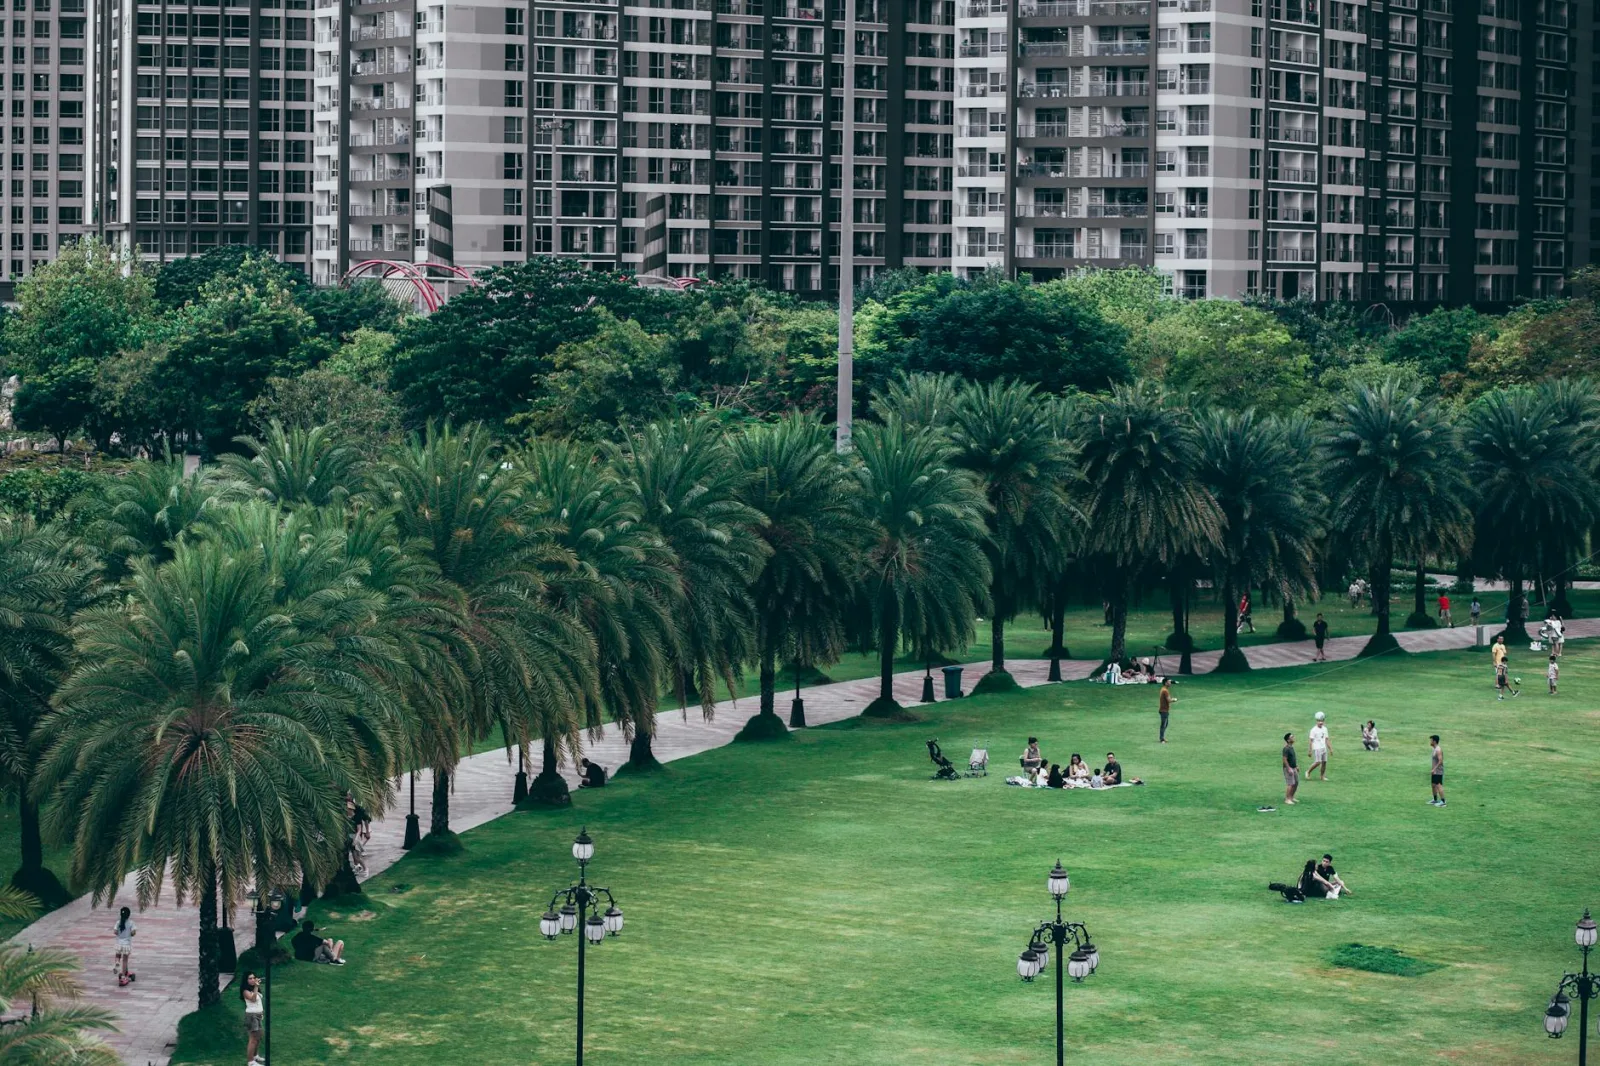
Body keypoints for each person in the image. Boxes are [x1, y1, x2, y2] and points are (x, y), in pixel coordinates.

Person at [242, 971, 265, 1065]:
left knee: (258, 1036)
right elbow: (253, 999)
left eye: (253, 978)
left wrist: (256, 986)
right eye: (250, 978)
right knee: (253, 1039)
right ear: (246, 980)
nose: (252, 980)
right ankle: (250, 1061)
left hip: (258, 1015)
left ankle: (255, 1056)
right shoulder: (245, 991)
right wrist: (256, 986)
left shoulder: (255, 989)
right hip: (252, 1016)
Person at [113, 906, 136, 985]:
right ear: (128, 915)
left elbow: (115, 932)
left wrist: (120, 933)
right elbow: (133, 933)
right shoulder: (131, 923)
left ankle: (117, 963)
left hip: (119, 943)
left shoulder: (118, 922)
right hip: (126, 945)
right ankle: (123, 976)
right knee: (125, 960)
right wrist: (131, 933)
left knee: (117, 956)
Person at [1308, 712, 1330, 781]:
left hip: (1323, 747)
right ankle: (1308, 772)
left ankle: (1322, 776)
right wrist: (1310, 750)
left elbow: (1326, 739)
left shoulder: (1325, 729)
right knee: (1318, 762)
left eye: (1322, 721)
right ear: (1316, 721)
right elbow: (1311, 741)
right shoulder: (1313, 730)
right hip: (1317, 748)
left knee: (1324, 762)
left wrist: (1330, 748)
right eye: (1319, 721)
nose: (1320, 722)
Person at [1282, 732, 1299, 805]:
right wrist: (1289, 768)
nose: (1293, 738)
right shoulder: (1286, 749)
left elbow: (1293, 758)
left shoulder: (1291, 747)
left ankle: (1291, 797)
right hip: (1289, 769)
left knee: (1296, 783)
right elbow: (1284, 759)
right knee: (1290, 784)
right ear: (1288, 740)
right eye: (1292, 737)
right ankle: (1287, 799)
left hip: (1293, 767)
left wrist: (1296, 766)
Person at [1429, 735, 1446, 806]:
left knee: (1439, 785)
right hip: (1434, 771)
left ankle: (1443, 802)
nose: (1430, 742)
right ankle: (1435, 800)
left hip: (1438, 771)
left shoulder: (1438, 750)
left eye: (1431, 740)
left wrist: (1434, 769)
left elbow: (1440, 761)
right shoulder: (1434, 749)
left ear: (1434, 741)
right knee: (1433, 785)